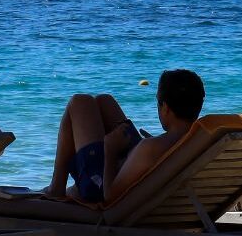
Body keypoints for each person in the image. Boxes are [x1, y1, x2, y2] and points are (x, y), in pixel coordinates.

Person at [46, 69, 204, 204]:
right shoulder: (199, 139)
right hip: (138, 175)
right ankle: (73, 189)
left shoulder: (150, 148)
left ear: (166, 109)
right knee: (105, 100)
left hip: (101, 188)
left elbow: (109, 197)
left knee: (79, 101)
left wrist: (110, 149)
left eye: (158, 103)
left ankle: (57, 188)